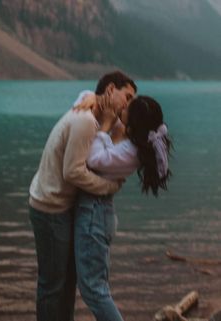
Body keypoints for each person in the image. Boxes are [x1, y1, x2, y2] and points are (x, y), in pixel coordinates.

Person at [28, 70, 137, 321]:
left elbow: (124, 126)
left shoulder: (98, 113)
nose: (129, 104)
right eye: (128, 97)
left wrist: (90, 95)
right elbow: (73, 172)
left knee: (67, 281)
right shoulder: (86, 120)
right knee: (53, 284)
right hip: (50, 207)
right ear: (111, 90)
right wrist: (108, 188)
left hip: (58, 204)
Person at [73, 94, 172, 321]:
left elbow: (94, 159)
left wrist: (105, 125)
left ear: (134, 121)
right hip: (98, 214)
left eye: (127, 108)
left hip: (94, 216)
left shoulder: (131, 151)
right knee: (96, 286)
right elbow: (92, 100)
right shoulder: (136, 144)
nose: (122, 108)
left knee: (94, 290)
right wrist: (91, 100)